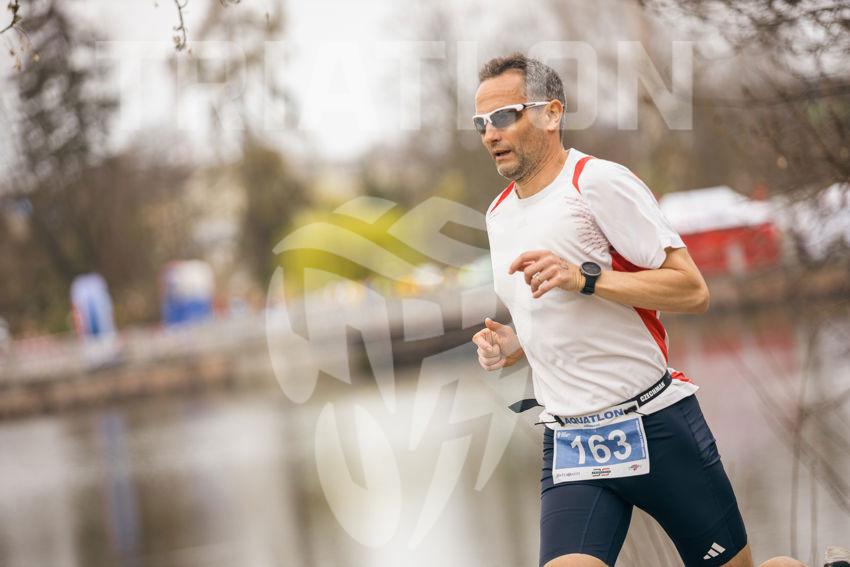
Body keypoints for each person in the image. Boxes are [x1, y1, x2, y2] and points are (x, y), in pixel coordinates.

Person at [470, 53, 848, 567]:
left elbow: (691, 289)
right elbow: (551, 313)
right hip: (571, 441)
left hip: (654, 426)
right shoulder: (498, 214)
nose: (490, 133)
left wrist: (586, 278)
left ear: (552, 113)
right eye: (481, 122)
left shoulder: (596, 183)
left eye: (504, 116)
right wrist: (513, 343)